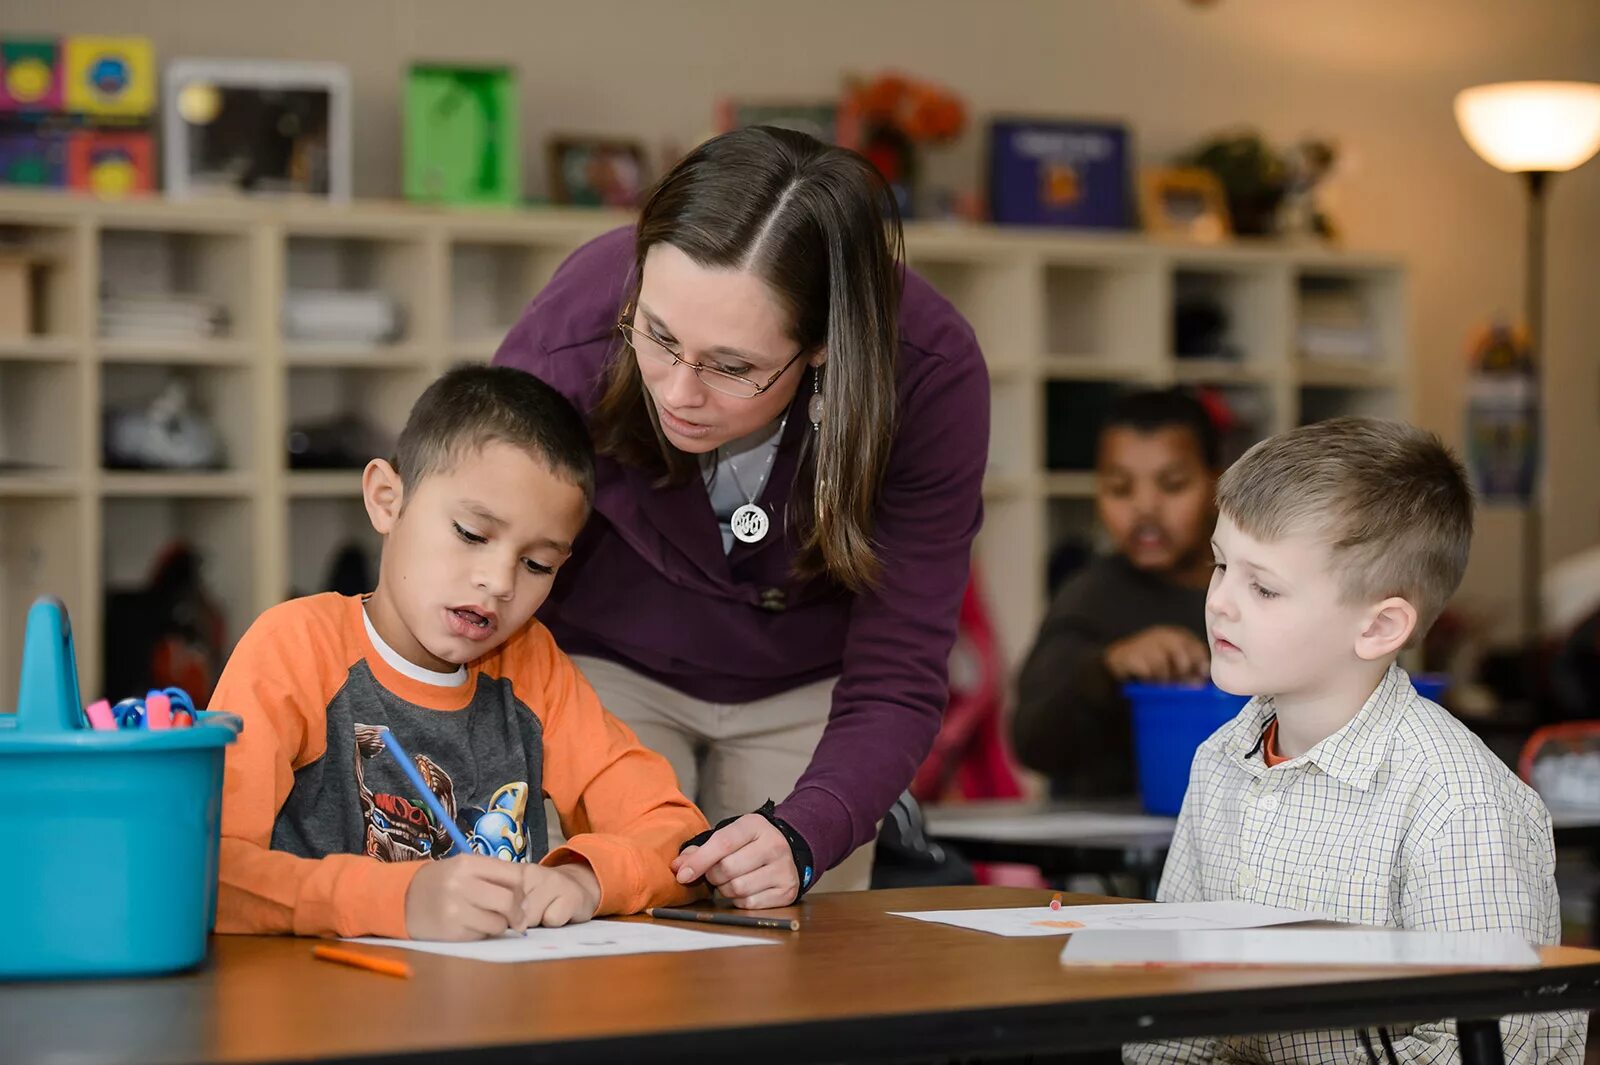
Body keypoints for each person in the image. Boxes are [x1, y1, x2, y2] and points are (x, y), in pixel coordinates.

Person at [493, 125, 988, 907]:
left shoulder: (929, 373)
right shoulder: (576, 325)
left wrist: (807, 830)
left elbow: (898, 672)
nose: (680, 393)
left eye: (734, 367)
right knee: (600, 933)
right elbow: (486, 552)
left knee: (798, 963)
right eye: (657, 337)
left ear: (824, 345)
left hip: (810, 690)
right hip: (599, 666)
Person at [1125, 417, 1585, 1063]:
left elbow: (1486, 1039)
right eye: (1221, 565)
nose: (1221, 602)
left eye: (1264, 586)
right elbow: (1174, 994)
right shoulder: (1220, 761)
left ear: (1378, 627)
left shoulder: (1458, 800)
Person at [212, 366, 708, 940]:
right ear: (386, 501)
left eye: (538, 564)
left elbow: (675, 834)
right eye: (472, 534)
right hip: (331, 1010)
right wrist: (397, 902)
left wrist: (584, 880)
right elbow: (207, 872)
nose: (499, 582)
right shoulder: (297, 650)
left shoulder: (530, 666)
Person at [1012, 390, 1219, 797]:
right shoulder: (1089, 598)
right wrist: (1107, 667)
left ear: (1217, 481)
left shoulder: (1256, 588)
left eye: (1173, 485)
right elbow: (1031, 741)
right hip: (1112, 847)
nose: (1145, 507)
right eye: (1120, 489)